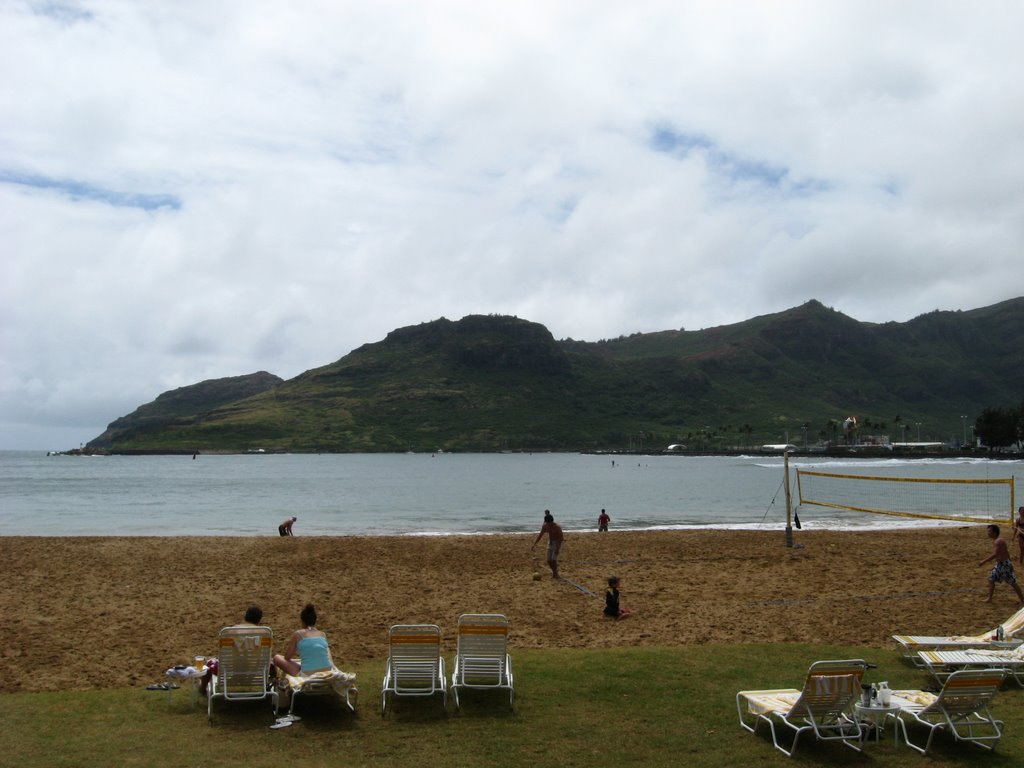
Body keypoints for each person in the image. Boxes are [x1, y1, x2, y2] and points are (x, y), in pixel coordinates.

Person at [198, 605, 264, 696]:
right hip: (256, 670)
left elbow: (227, 652)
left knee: (209, 664)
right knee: (272, 665)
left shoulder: (232, 631)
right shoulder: (264, 633)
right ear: (259, 620)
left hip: (230, 669)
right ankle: (269, 689)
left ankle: (202, 688)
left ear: (246, 616)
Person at [273, 603, 334, 677]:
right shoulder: (322, 635)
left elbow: (287, 657)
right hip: (327, 671)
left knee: (277, 658)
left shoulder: (298, 634)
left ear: (302, 621)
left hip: (307, 674)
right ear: (315, 620)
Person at [979, 524, 1024, 604]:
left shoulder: (998, 541)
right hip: (1003, 564)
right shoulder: (998, 540)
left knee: (1011, 582)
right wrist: (1010, 563)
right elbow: (1006, 553)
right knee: (993, 579)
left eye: (989, 531)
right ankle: (990, 598)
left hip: (1004, 565)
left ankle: (1022, 600)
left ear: (995, 532)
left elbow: (995, 554)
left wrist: (983, 561)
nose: (988, 533)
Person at [532, 510, 564, 579]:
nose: (549, 525)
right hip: (550, 541)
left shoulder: (557, 527)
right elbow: (540, 535)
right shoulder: (545, 526)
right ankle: (554, 572)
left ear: (552, 522)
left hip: (557, 542)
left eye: (550, 523)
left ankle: (556, 574)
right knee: (549, 560)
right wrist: (535, 544)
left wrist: (557, 548)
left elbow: (561, 538)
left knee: (553, 559)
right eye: (547, 523)